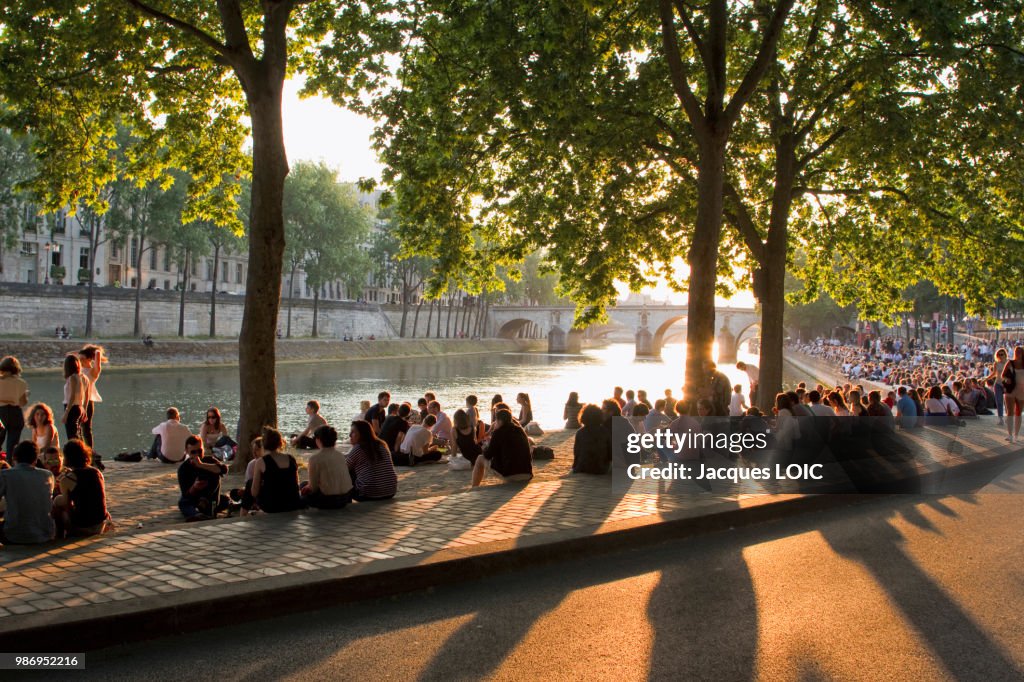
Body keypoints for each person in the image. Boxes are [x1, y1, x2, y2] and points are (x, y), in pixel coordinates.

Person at [0, 441, 55, 545]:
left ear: (14, 457)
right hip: (45, 533)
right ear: (35, 459)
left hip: (14, 534)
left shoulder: (5, 475)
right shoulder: (48, 475)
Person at [52, 439, 109, 537]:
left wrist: (56, 499)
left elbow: (67, 504)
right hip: (100, 523)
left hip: (83, 526)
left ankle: (60, 535)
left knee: (57, 502)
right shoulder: (97, 472)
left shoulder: (68, 479)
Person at [472, 408, 533, 486]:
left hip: (511, 475)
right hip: (527, 473)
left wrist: (485, 447)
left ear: (500, 421)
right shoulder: (520, 430)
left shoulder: (498, 432)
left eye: (496, 421)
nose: (495, 423)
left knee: (480, 458)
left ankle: (474, 487)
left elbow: (488, 455)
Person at [252, 427, 304, 513]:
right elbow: (296, 484)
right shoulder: (291, 459)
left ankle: (243, 513)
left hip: (272, 506)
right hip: (293, 503)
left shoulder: (261, 461)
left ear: (263, 444)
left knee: (251, 482)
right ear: (280, 443)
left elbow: (254, 492)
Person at [301, 425, 353, 509]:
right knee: (305, 485)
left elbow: (313, 488)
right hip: (346, 498)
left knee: (303, 487)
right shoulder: (340, 455)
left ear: (318, 440)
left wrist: (307, 487)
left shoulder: (315, 458)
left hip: (329, 501)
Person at [177, 436, 228, 522]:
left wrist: (201, 465)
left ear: (203, 449)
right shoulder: (183, 469)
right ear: (187, 452)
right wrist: (194, 487)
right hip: (194, 498)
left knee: (225, 499)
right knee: (183, 502)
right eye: (193, 452)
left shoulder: (209, 460)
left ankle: (209, 511)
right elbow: (186, 493)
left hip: (211, 497)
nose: (197, 455)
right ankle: (196, 515)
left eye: (200, 451)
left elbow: (223, 469)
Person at [346, 420, 398, 501]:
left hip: (368, 494)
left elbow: (344, 468)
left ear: (362, 434)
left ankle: (345, 500)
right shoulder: (382, 444)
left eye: (353, 432)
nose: (350, 435)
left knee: (348, 471)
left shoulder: (359, 448)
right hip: (390, 491)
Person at [0, 356, 29, 457]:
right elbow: (22, 403)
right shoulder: (22, 383)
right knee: (12, 445)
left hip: (1, 412)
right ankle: (10, 465)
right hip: (15, 413)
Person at [77, 345, 106, 449]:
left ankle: (89, 451)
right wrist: (81, 353)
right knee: (76, 428)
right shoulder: (77, 370)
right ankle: (79, 449)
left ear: (89, 359)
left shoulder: (93, 372)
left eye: (82, 358)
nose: (79, 360)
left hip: (88, 401)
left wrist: (96, 351)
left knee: (86, 428)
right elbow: (69, 355)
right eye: (79, 358)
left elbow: (98, 359)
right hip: (77, 401)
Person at [572, 404, 611, 474]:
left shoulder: (580, 432)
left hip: (583, 467)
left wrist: (575, 467)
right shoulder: (605, 431)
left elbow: (577, 452)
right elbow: (610, 452)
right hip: (601, 468)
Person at [61, 354, 90, 443]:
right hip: (79, 408)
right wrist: (84, 410)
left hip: (71, 408)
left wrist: (66, 412)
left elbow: (72, 396)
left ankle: (76, 453)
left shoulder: (72, 378)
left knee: (72, 435)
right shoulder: (84, 377)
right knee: (77, 434)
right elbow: (87, 396)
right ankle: (83, 452)